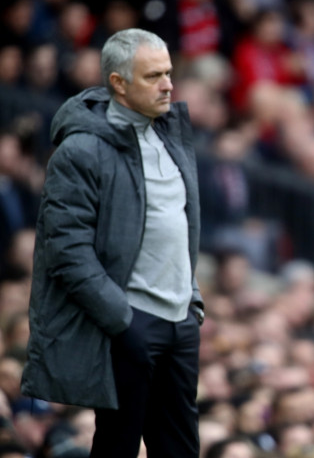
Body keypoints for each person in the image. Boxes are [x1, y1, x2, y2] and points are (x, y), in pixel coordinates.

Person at [20, 28, 205, 457]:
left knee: (181, 450)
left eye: (169, 73)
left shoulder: (170, 134)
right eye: (153, 76)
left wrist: (191, 300)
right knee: (118, 446)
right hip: (129, 324)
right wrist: (124, 319)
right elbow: (66, 250)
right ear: (118, 83)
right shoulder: (80, 150)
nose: (168, 85)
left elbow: (178, 226)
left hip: (179, 323)